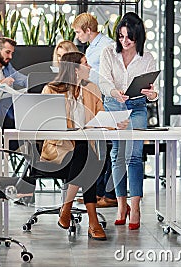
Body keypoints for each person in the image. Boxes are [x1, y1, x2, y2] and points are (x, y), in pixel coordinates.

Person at [41, 52, 129, 241]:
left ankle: (67, 208)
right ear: (74, 69)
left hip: (84, 150)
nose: (90, 67)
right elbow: (44, 125)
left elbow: (101, 117)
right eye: (85, 64)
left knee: (85, 153)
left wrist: (115, 123)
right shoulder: (51, 89)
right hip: (60, 148)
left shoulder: (93, 89)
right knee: (86, 155)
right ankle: (92, 221)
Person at [99, 12, 158, 230]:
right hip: (114, 105)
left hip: (137, 108)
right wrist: (115, 92)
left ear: (138, 37)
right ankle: (121, 205)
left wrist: (152, 94)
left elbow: (152, 90)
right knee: (117, 156)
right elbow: (103, 81)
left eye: (129, 37)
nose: (124, 42)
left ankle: (136, 207)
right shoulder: (108, 53)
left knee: (134, 156)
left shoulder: (147, 57)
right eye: (121, 37)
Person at [72, 13, 117, 208]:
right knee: (98, 148)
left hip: (105, 99)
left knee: (106, 148)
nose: (77, 37)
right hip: (95, 98)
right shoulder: (92, 47)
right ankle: (96, 193)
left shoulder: (107, 45)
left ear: (88, 30)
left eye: (78, 32)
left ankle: (108, 194)